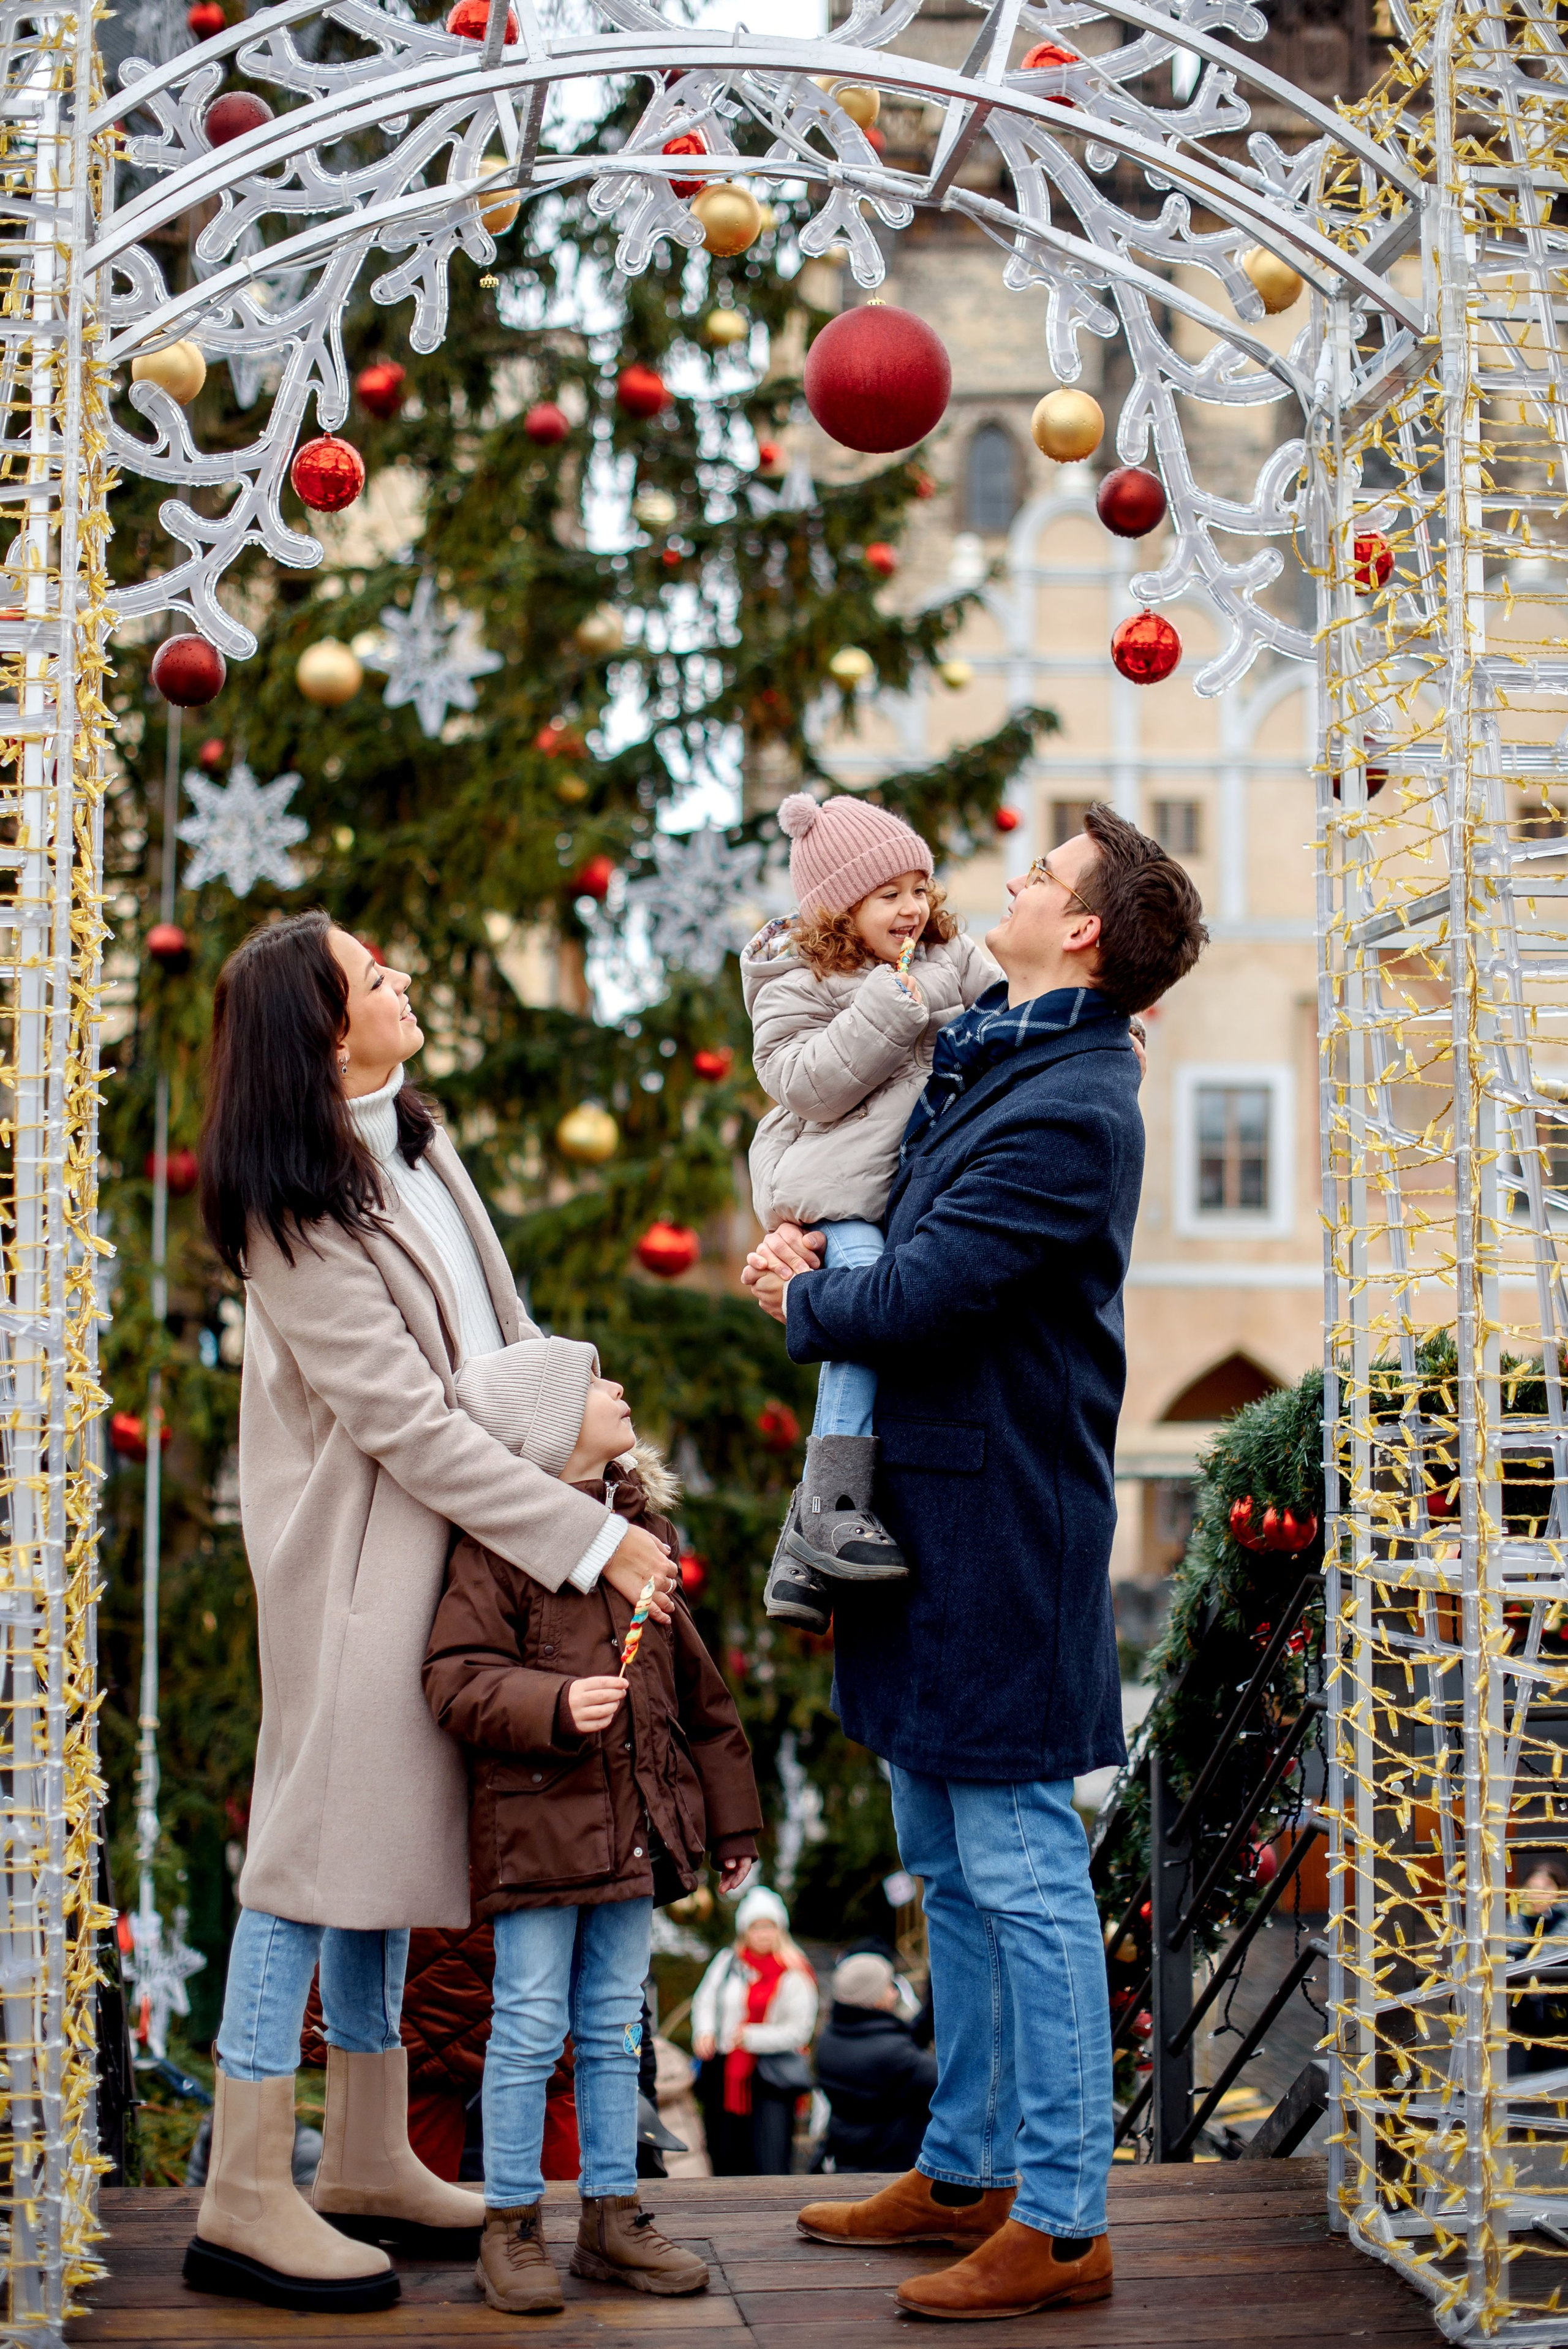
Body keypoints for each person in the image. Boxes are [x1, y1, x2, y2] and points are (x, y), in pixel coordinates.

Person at [751, 806, 1207, 2321]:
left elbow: (933, 1289)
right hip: (925, 1526)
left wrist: (805, 1301)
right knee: (944, 1863)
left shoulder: (1075, 1102)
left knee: (1020, 1876)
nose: (1003, 882)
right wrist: (803, 1244)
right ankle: (964, 2167)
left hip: (1004, 1536)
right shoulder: (1014, 1052)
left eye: (1039, 875)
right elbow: (872, 1184)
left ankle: (1064, 2214)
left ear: (1078, 929)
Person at [188, 911, 679, 2316]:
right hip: (353, 1564)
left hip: (450, 1546)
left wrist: (593, 1465)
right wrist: (587, 1537)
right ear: (318, 1029)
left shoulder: (412, 1139)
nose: (398, 973)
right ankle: (240, 2187)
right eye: (368, 972)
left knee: (386, 1853)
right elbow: (404, 1418)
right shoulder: (293, 1207)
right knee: (305, 1853)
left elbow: (500, 1335)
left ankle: (362, 2148)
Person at [422, 1366, 763, 2313]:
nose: (617, 1386)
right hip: (539, 1840)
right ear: (545, 1425)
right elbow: (453, 1678)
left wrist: (730, 1820)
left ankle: (613, 2216)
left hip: (632, 1843)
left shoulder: (641, 1543)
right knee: (531, 2027)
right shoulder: (500, 1548)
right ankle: (513, 2226)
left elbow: (697, 1694)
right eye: (590, 1378)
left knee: (618, 2028)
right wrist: (557, 1702)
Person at [742, 795, 1000, 1628]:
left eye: (920, 887)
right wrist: (892, 1005)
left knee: (886, 1325)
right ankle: (836, 1501)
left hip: (915, 1187)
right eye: (888, 892)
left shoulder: (949, 955)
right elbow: (803, 1081)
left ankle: (802, 1551)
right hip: (841, 1194)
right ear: (839, 906)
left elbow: (1013, 1012)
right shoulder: (796, 979)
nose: (912, 907)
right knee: (857, 1316)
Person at [690, 1885, 820, 2175]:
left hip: (770, 2077)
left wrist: (751, 2037)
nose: (763, 1934)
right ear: (744, 1930)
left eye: (769, 1926)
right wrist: (705, 2032)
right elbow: (705, 2000)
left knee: (769, 2158)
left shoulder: (795, 1971)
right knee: (725, 2153)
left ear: (780, 1929)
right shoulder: (728, 1962)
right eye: (756, 1927)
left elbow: (800, 2031)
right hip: (726, 2073)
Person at [813, 1953, 938, 2174]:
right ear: (875, 1999)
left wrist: (932, 2005)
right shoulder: (891, 2054)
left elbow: (901, 2042)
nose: (895, 1992)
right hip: (892, 2170)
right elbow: (948, 2081)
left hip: (851, 2159)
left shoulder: (831, 2039)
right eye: (890, 1986)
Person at [1509, 1858, 1568, 2075]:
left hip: (1561, 2019)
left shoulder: (1564, 1922)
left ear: (1559, 1890)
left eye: (1546, 1888)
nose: (1539, 1894)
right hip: (1523, 2022)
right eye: (1532, 1888)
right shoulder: (1512, 1923)